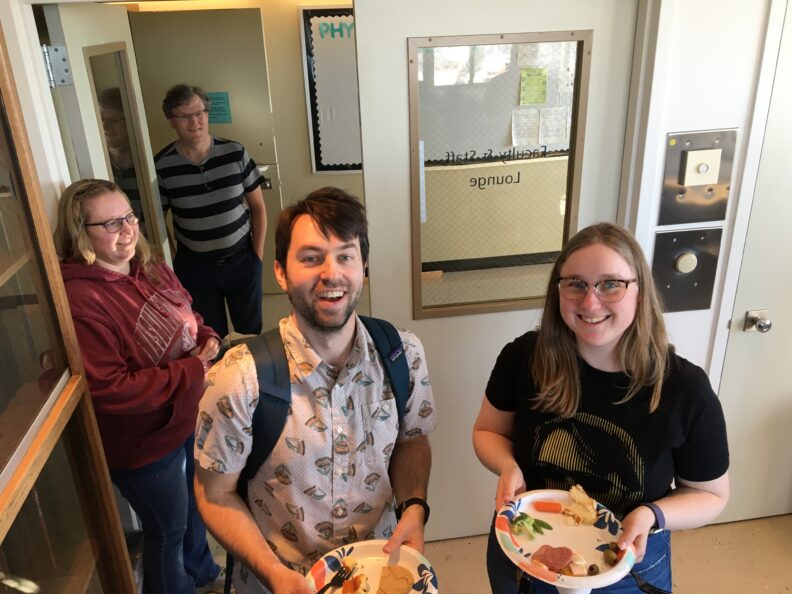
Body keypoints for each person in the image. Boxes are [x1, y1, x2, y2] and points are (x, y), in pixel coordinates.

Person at [193, 187, 438, 594]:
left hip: (379, 573)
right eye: (311, 258)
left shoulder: (402, 354)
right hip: (277, 580)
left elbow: (413, 440)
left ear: (363, 267)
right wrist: (273, 573)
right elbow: (214, 495)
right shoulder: (239, 378)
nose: (331, 273)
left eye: (345, 255)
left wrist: (413, 506)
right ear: (281, 272)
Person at [472, 222, 730, 594]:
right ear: (557, 290)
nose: (590, 302)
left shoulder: (685, 389)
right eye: (575, 283)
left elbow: (711, 495)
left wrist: (653, 513)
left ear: (639, 291)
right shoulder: (523, 358)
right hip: (525, 549)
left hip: (627, 564)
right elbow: (488, 431)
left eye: (611, 284)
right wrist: (507, 465)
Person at [54, 178, 223, 594]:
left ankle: (203, 576)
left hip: (185, 417)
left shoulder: (148, 266)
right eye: (111, 224)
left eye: (129, 216)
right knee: (167, 530)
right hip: (144, 445)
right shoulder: (81, 299)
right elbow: (110, 388)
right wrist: (193, 369)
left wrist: (207, 335)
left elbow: (189, 315)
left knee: (195, 508)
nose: (127, 230)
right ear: (81, 233)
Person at [155, 83, 266, 338]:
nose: (195, 122)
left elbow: (258, 207)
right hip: (195, 268)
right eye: (185, 116)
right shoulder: (162, 165)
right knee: (209, 336)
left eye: (200, 113)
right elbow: (157, 220)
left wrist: (256, 258)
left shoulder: (235, 152)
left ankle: (252, 377)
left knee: (250, 334)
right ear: (172, 121)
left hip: (242, 261)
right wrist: (174, 265)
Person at [98, 87, 144, 230]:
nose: (106, 127)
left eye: (114, 120)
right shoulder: (95, 164)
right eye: (101, 119)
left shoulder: (147, 166)